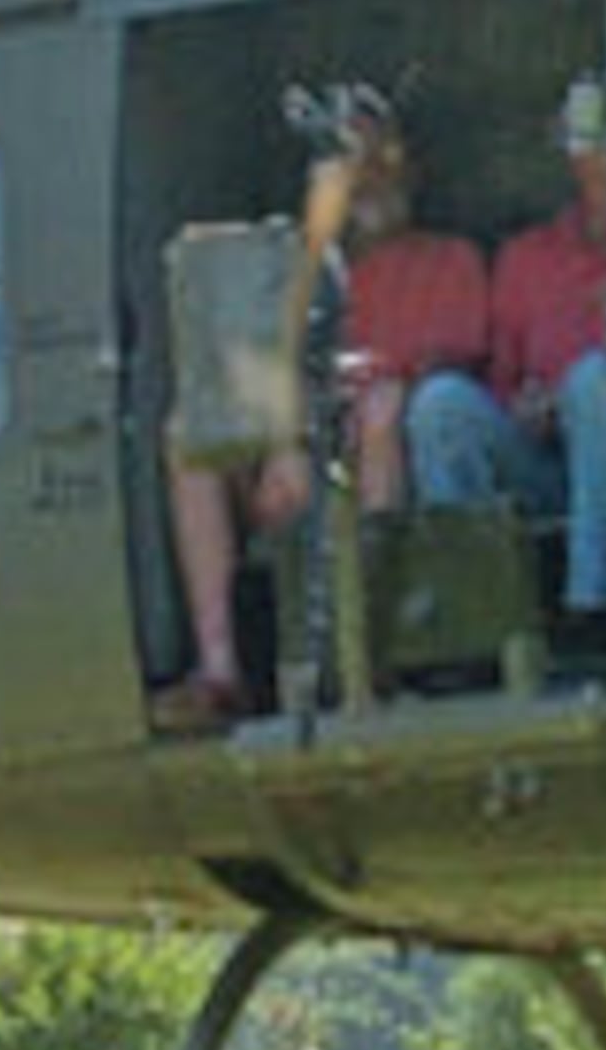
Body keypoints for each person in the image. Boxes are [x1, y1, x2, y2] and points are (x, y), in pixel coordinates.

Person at [152, 97, 491, 734]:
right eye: (353, 160)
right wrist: (286, 443)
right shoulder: (287, 272)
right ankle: (220, 667)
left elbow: (449, 367)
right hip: (301, 461)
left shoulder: (448, 260)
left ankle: (368, 654)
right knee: (185, 439)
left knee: (383, 409)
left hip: (387, 454)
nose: (372, 176)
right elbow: (252, 374)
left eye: (384, 157)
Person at [435, 74, 606, 640]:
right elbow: (501, 383)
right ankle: (468, 625)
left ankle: (594, 609)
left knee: (597, 380)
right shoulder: (525, 259)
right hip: (549, 466)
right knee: (442, 405)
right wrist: (528, 408)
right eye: (594, 148)